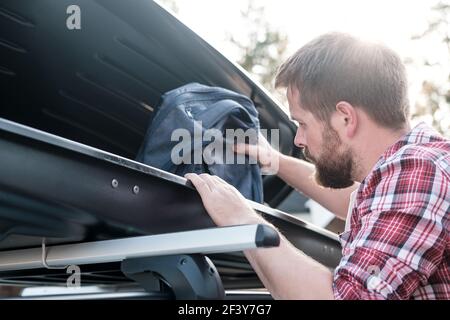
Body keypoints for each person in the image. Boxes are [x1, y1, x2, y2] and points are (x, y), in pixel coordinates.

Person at [185, 33, 450, 300]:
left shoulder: (418, 170)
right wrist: (273, 160)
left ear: (346, 118)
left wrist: (242, 219)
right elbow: (349, 199)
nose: (298, 139)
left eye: (302, 123)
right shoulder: (414, 170)